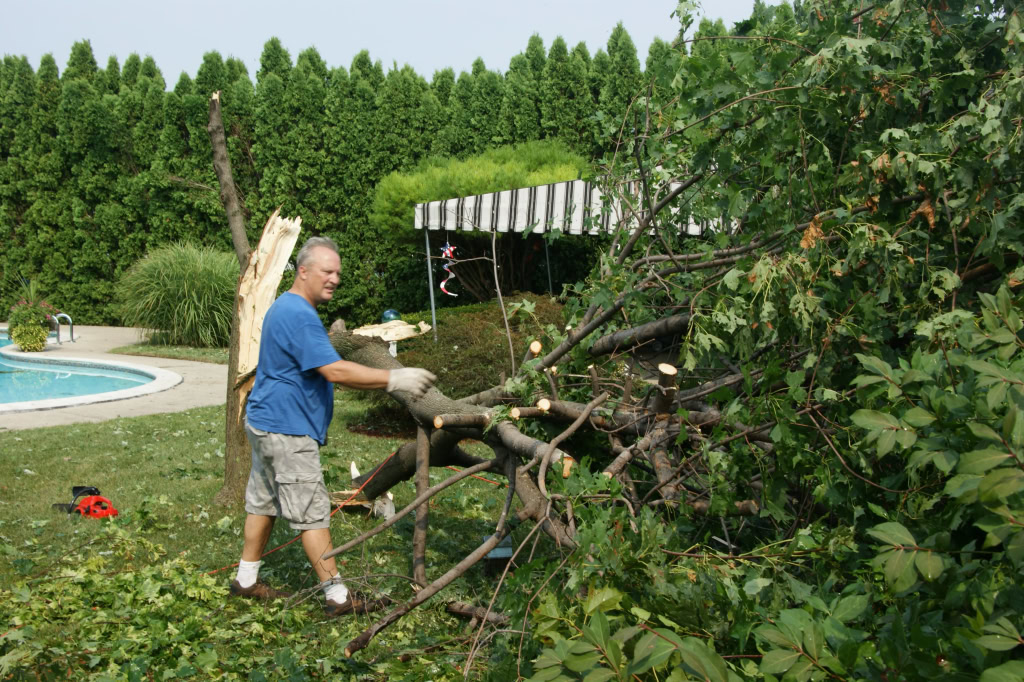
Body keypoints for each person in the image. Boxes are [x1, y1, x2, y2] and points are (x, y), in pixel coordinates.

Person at [230, 236, 435, 616]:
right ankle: (337, 597)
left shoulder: (285, 307)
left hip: (265, 422)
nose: (335, 278)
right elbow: (335, 371)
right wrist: (395, 379)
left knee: (264, 501)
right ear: (303, 271)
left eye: (338, 272)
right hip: (287, 430)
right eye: (327, 271)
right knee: (311, 511)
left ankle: (245, 579)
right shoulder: (300, 315)